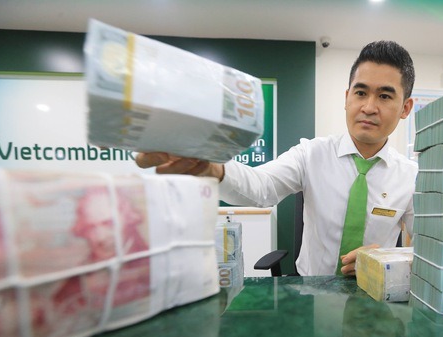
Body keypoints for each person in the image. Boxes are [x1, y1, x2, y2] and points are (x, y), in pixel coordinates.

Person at [135, 40, 419, 277]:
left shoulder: (411, 176)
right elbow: (261, 186)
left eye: (384, 96)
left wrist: (387, 258)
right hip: (311, 298)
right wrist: (214, 167)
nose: (369, 107)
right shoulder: (311, 154)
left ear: (405, 107)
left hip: (378, 296)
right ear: (347, 98)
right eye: (360, 92)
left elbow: (431, 250)